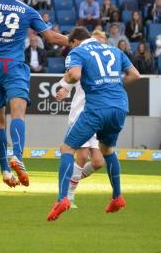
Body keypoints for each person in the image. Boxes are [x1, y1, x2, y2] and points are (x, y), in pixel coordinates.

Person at [0, 0, 68, 187]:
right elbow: (52, 38)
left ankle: (5, 171)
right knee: (18, 115)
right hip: (14, 66)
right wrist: (79, 41)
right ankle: (17, 155)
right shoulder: (27, 10)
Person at [47, 27, 141, 221]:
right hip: (120, 106)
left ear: (74, 41)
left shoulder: (78, 52)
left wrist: (68, 81)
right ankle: (117, 197)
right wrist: (113, 84)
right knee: (107, 150)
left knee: (66, 149)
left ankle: (62, 198)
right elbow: (135, 75)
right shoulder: (115, 50)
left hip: (97, 108)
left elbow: (75, 74)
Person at [54, 30, 107, 209]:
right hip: (81, 115)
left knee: (99, 162)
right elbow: (69, 78)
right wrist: (63, 89)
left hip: (96, 116)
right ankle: (68, 197)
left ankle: (69, 183)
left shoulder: (103, 65)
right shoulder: (81, 61)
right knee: (82, 156)